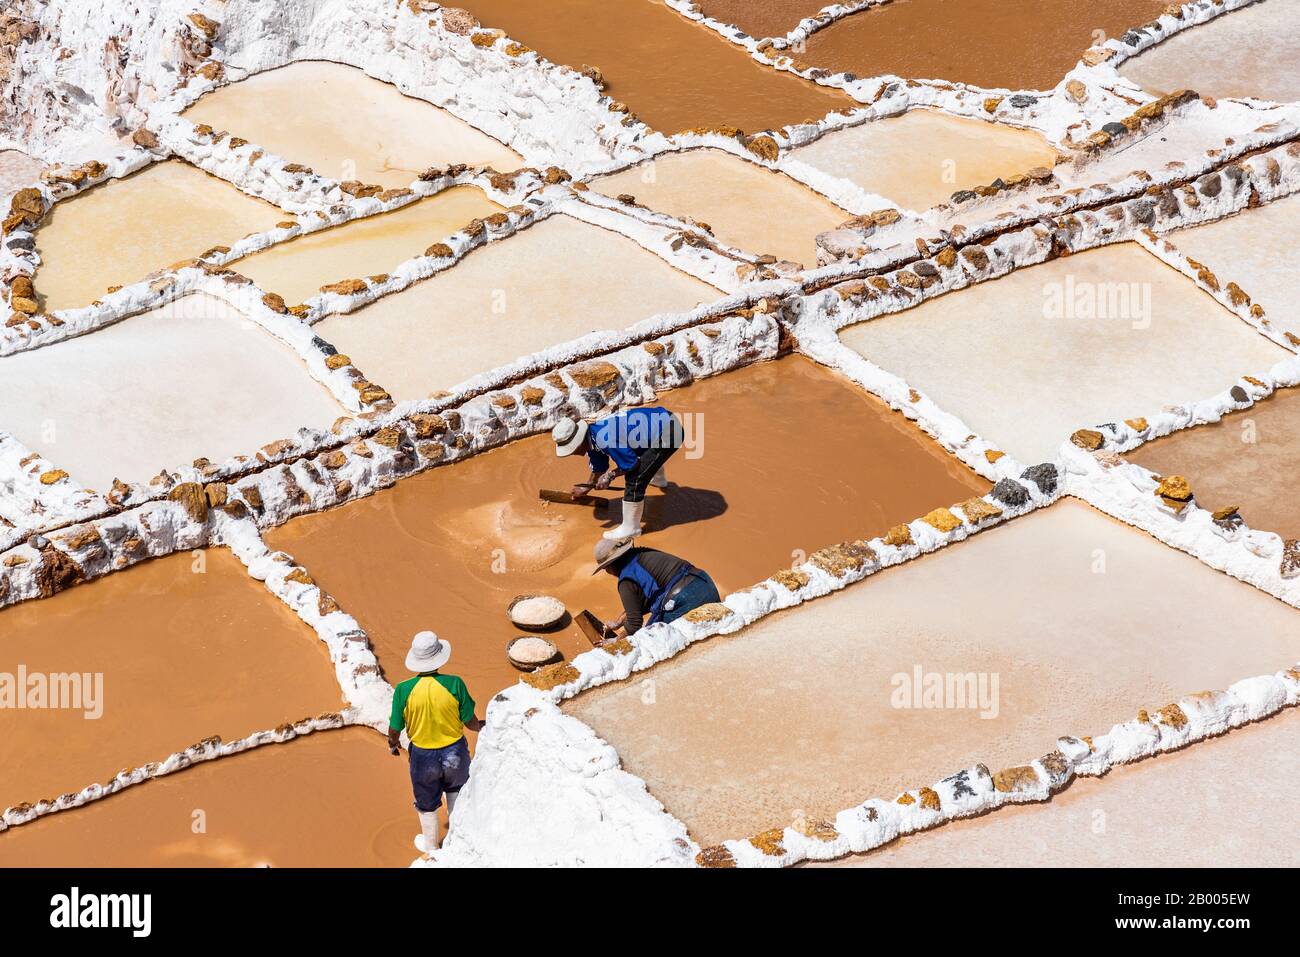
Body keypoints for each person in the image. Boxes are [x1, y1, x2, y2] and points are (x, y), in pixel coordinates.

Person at [387, 631, 484, 859]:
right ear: (439, 657)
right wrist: (482, 727)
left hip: (423, 756)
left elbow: (395, 728)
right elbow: (469, 721)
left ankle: (431, 847)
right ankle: (457, 839)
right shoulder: (455, 684)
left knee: (426, 800)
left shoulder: (403, 689)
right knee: (457, 791)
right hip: (455, 752)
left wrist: (392, 743)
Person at [552, 406, 684, 540]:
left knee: (635, 477)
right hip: (662, 420)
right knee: (644, 454)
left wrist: (609, 476)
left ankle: (631, 528)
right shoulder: (592, 435)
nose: (572, 453)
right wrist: (586, 487)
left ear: (579, 442)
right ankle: (658, 479)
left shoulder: (605, 438)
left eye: (571, 449)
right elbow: (599, 466)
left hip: (670, 431)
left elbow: (631, 465)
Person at [593, 537, 720, 636]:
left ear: (609, 566)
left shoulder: (625, 582)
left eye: (605, 568)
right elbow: (642, 602)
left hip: (685, 598)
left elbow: (634, 624)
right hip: (704, 583)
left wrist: (616, 640)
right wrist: (618, 622)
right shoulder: (642, 553)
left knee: (649, 640)